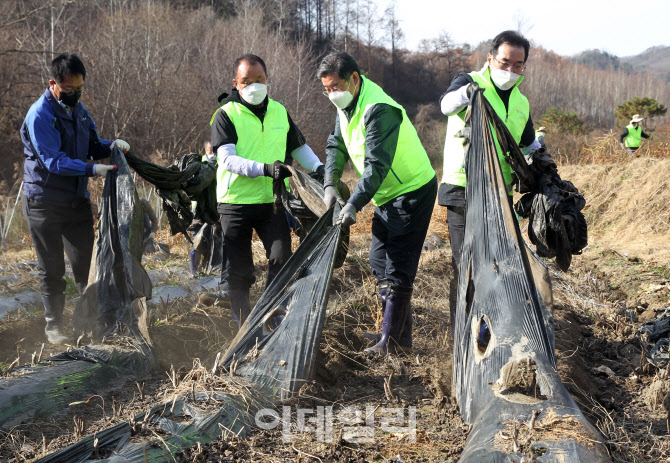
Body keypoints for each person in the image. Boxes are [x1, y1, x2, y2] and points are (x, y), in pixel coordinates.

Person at [318, 52, 437, 355]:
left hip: (411, 191)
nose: (332, 94)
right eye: (327, 89)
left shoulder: (378, 108)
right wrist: (330, 183)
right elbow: (336, 142)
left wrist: (354, 204)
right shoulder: (347, 105)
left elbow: (376, 166)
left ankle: (392, 342)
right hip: (386, 194)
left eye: (336, 87)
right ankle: (398, 334)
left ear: (354, 79)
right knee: (378, 261)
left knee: (398, 266)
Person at [20, 53, 130, 342]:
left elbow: (92, 144)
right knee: (52, 268)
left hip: (75, 200)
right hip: (43, 201)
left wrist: (111, 146)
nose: (75, 95)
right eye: (69, 90)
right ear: (53, 84)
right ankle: (54, 325)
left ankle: (91, 321)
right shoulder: (40, 115)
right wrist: (93, 169)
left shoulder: (80, 112)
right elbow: (53, 161)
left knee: (86, 265)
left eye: (79, 89)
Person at [210, 54, 324, 327]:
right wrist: (265, 169)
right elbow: (226, 159)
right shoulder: (225, 115)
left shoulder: (280, 111)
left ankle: (270, 314)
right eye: (247, 81)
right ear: (236, 83)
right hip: (235, 202)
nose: (254, 85)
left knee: (281, 256)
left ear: (267, 79)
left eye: (259, 79)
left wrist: (320, 170)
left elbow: (298, 147)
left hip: (271, 201)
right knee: (239, 271)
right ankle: (244, 327)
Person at [438, 30, 540, 329]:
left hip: (499, 193)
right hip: (463, 189)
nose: (510, 71)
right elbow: (445, 106)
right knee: (465, 263)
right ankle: (463, 331)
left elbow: (528, 144)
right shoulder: (469, 82)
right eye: (505, 62)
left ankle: (487, 327)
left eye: (517, 65)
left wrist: (546, 165)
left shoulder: (521, 102)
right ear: (491, 58)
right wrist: (467, 94)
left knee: (495, 264)